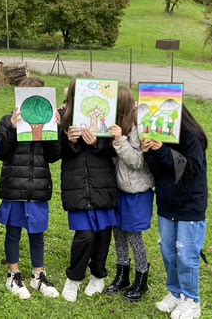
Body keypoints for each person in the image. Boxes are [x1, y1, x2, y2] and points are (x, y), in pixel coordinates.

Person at [0, 77, 61, 300]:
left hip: (39, 187)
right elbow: (1, 153)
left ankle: (38, 275)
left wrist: (55, 129)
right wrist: (13, 128)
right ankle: (13, 275)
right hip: (15, 186)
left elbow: (53, 156)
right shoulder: (7, 120)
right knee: (13, 232)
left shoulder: (48, 120)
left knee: (37, 233)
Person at [144, 105, 208, 319]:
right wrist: (151, 153)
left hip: (190, 205)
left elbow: (191, 168)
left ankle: (191, 301)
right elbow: (158, 170)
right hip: (167, 204)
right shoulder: (157, 135)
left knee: (186, 254)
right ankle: (176, 292)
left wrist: (162, 150)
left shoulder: (192, 137)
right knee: (168, 251)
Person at [59, 79, 118, 303]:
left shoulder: (107, 114)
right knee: (85, 235)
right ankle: (73, 279)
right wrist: (69, 141)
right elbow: (54, 152)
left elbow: (113, 148)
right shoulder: (63, 116)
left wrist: (96, 144)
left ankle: (98, 275)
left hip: (102, 183)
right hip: (77, 186)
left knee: (103, 234)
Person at [105, 86, 154, 302]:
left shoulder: (139, 126)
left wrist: (119, 141)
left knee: (134, 236)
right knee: (119, 234)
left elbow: (137, 161)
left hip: (137, 192)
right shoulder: (115, 123)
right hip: (119, 189)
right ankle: (122, 274)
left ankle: (141, 278)